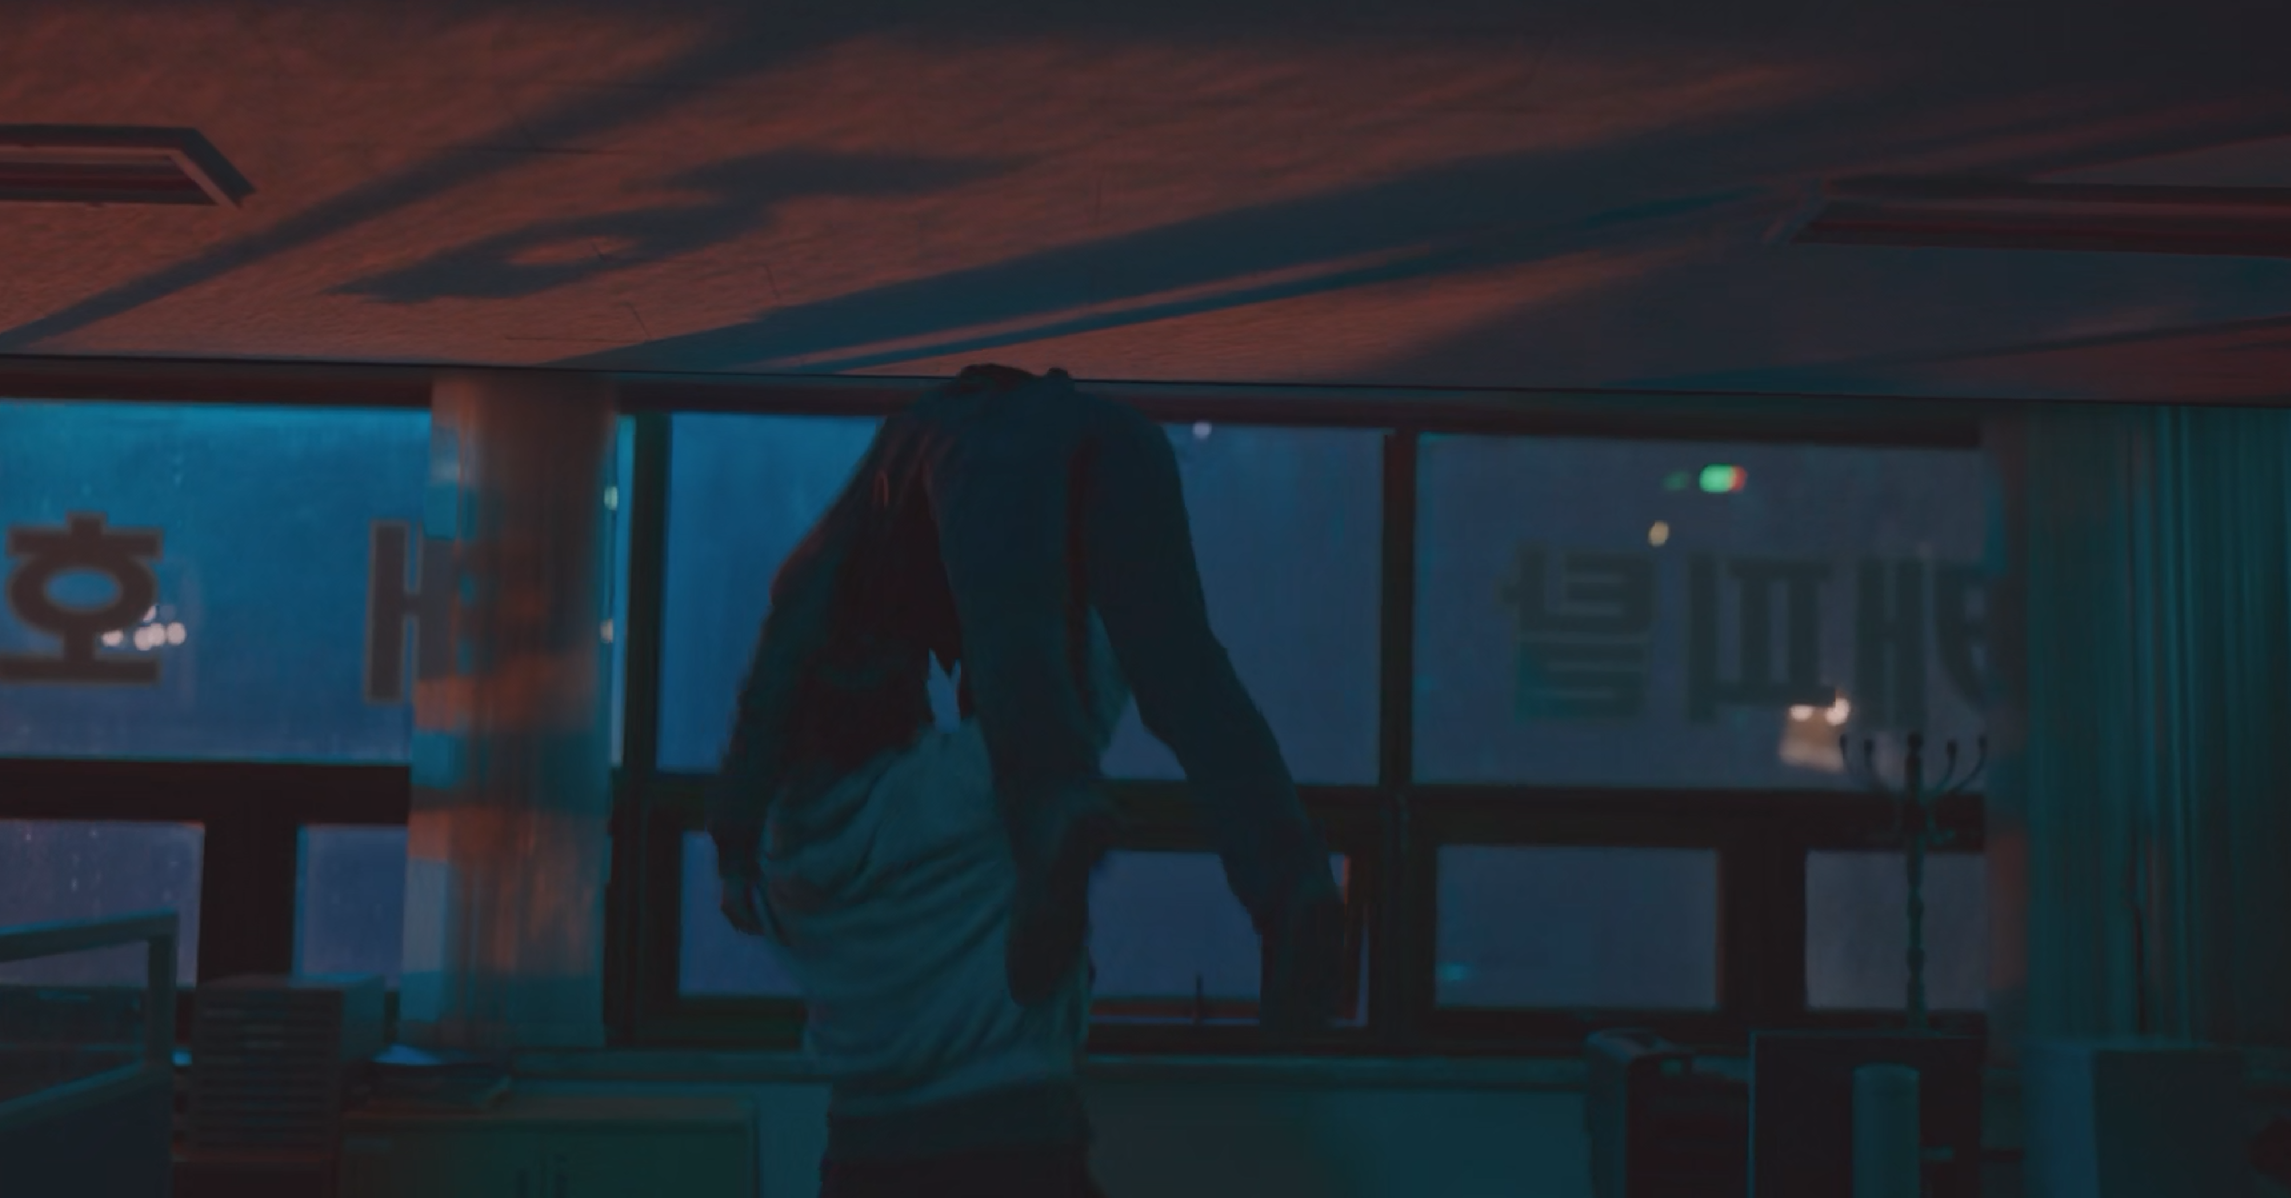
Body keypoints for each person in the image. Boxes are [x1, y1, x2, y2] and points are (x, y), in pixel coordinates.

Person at [707, 363, 1345, 1033]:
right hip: (1120, 436)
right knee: (1185, 674)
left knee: (1013, 647)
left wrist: (733, 844)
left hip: (993, 445)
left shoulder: (846, 544)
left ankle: (1056, 808)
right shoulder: (919, 528)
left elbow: (776, 674)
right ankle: (1294, 884)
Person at [725, 613, 1129, 1197]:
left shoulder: (781, 853)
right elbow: (1090, 683)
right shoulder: (963, 786)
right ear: (911, 698)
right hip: (1016, 1149)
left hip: (864, 1161)